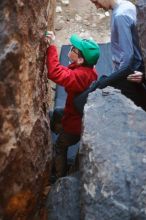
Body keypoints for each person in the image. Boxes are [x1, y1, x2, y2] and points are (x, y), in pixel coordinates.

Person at [44, 32, 100, 178]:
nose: (71, 48)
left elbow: (55, 72)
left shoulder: (80, 77)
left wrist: (51, 47)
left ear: (81, 59)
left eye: (74, 49)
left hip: (73, 126)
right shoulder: (89, 70)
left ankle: (59, 177)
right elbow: (69, 70)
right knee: (56, 114)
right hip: (74, 114)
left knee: (60, 147)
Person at [90, 0, 146, 111]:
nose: (97, 7)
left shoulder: (120, 16)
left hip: (128, 75)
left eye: (96, 2)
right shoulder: (127, 5)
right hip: (135, 70)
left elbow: (127, 56)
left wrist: (115, 79)